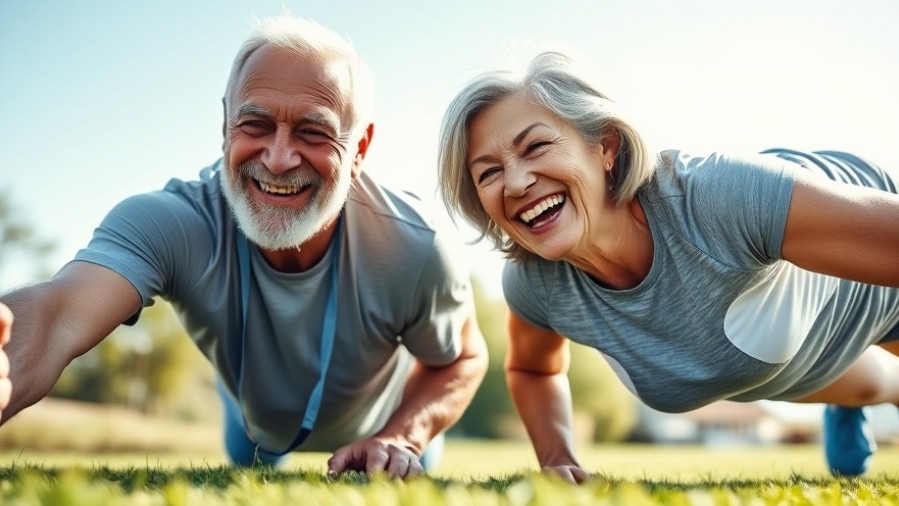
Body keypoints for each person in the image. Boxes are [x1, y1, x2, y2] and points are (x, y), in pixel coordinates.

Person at [0, 13, 488, 480]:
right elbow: (60, 313)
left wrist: (404, 436)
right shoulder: (170, 223)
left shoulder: (415, 246)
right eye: (254, 125)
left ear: (359, 149)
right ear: (225, 125)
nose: (277, 160)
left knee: (414, 466)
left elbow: (461, 359)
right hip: (252, 427)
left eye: (313, 131)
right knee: (246, 456)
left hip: (384, 419)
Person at [437, 50, 899, 483]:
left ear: (606, 146)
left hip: (858, 268)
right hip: (780, 346)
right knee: (806, 365)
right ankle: (848, 403)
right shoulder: (535, 282)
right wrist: (559, 459)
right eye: (488, 172)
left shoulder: (721, 199)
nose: (516, 182)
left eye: (536, 146)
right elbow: (534, 370)